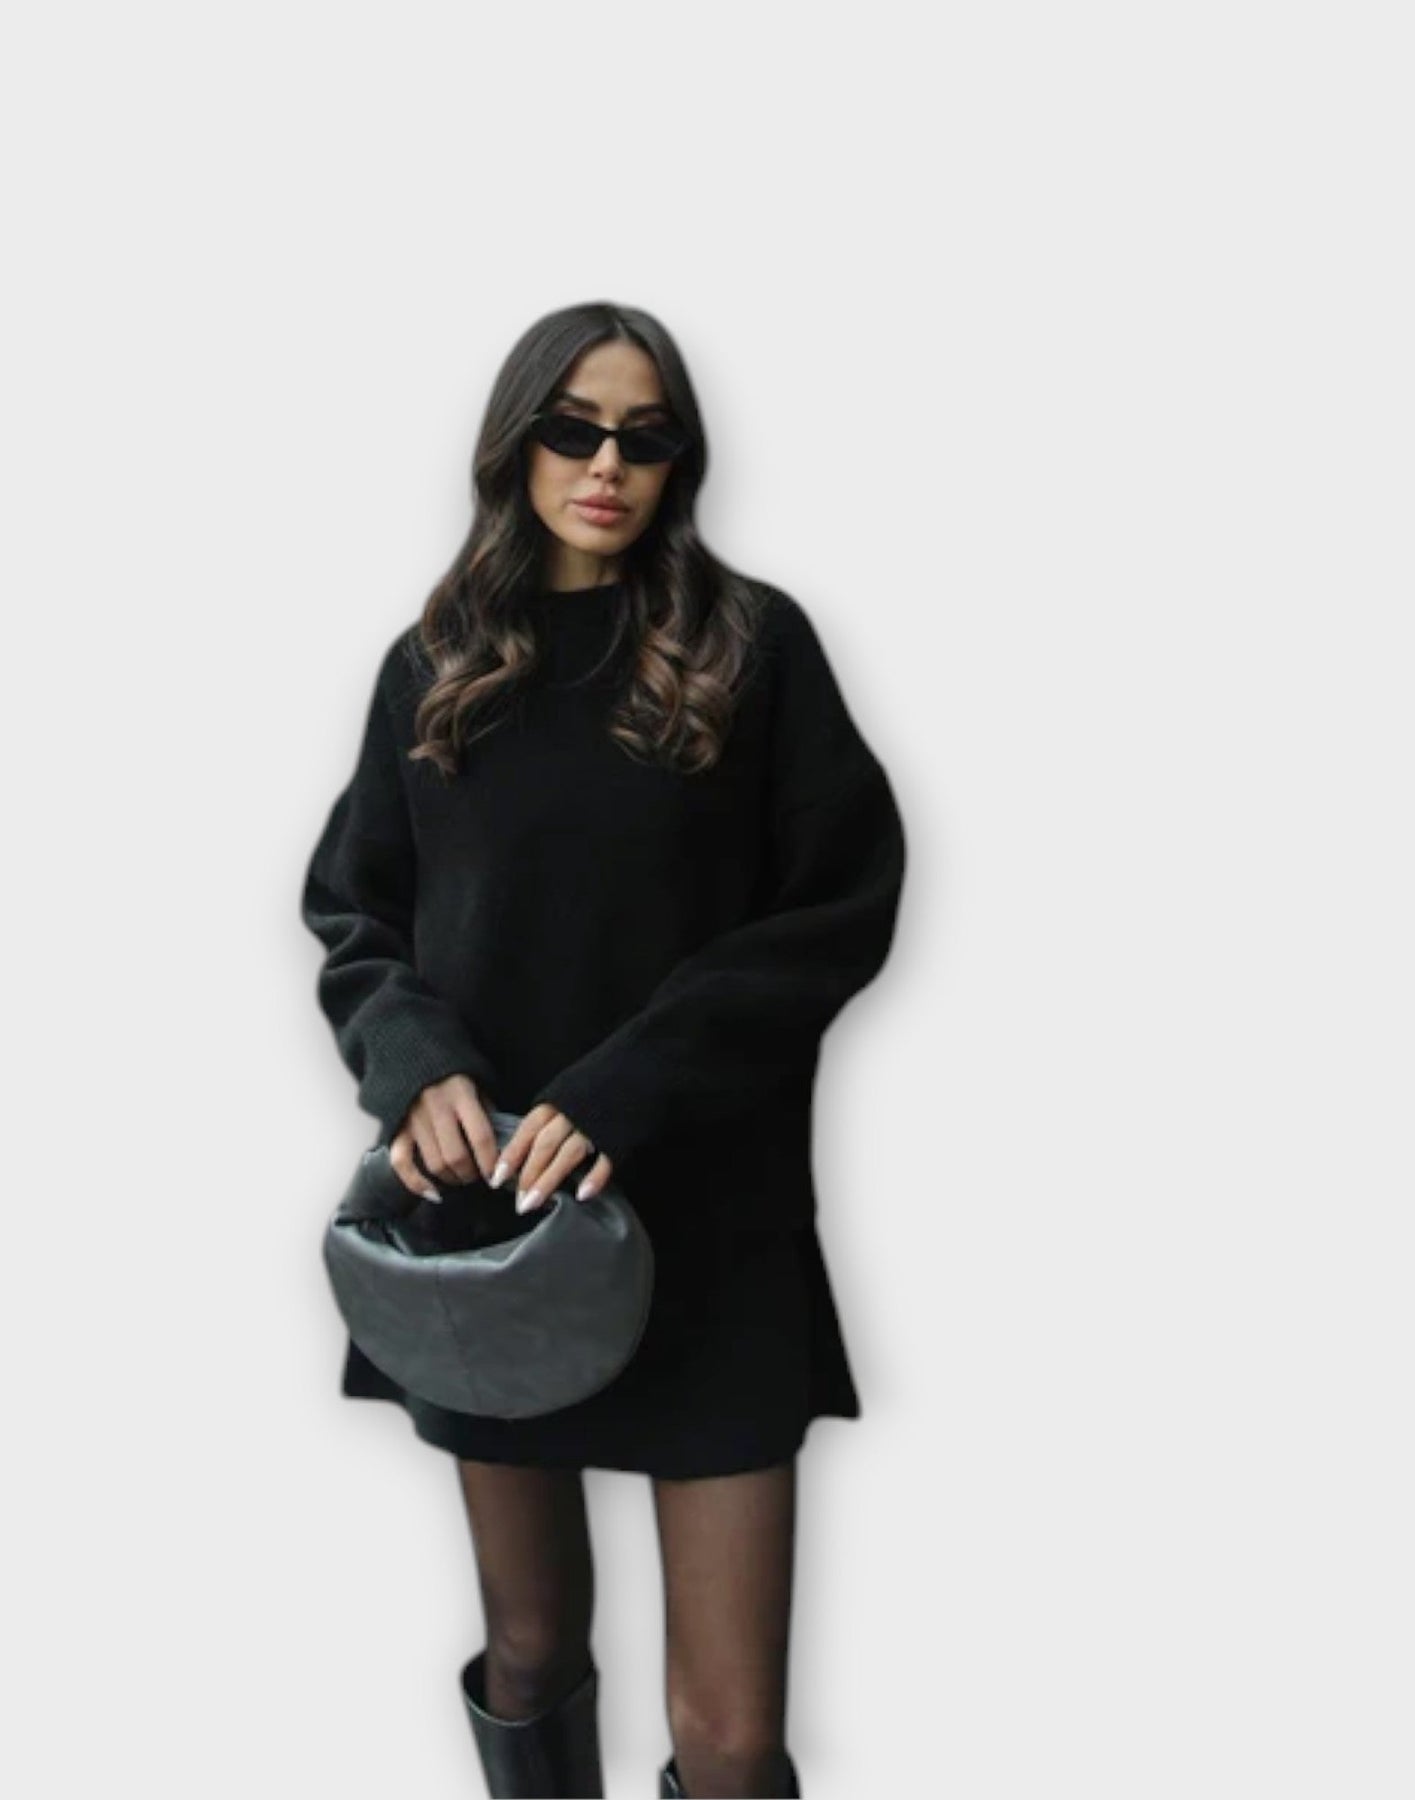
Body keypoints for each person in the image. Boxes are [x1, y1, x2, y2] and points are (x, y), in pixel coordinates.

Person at [299, 300, 907, 1798]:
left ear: (681, 458)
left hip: (713, 1227)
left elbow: (837, 906)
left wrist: (635, 1083)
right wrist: (414, 1063)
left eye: (646, 436)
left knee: (731, 1737)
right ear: (517, 445)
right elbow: (355, 911)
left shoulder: (751, 648)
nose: (606, 464)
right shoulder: (437, 665)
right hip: (492, 1227)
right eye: (573, 428)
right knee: (527, 1649)